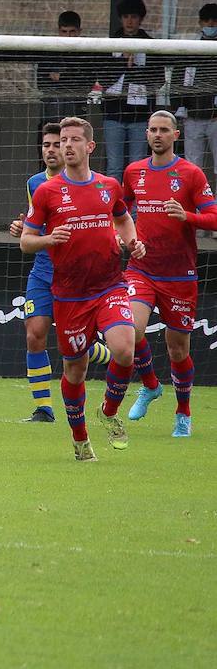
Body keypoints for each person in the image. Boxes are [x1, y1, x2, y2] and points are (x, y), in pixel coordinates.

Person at [21, 115, 144, 462]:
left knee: (124, 348)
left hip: (109, 285)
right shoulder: (46, 191)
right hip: (69, 295)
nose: (67, 146)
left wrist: (133, 241)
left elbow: (122, 217)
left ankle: (108, 410)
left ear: (90, 146)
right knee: (74, 370)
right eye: (63, 140)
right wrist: (48, 237)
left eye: (74, 140)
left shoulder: (108, 185)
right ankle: (80, 439)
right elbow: (27, 242)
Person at [8, 123, 114, 424]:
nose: (52, 150)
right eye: (47, 145)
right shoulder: (35, 184)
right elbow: (35, 223)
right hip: (43, 269)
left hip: (76, 274)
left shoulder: (91, 184)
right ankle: (43, 408)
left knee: (75, 344)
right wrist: (21, 229)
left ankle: (110, 356)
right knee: (35, 333)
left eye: (58, 144)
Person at [121, 110, 217, 438]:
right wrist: (125, 237)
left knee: (178, 349)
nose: (157, 135)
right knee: (129, 330)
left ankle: (183, 411)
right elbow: (120, 209)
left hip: (179, 274)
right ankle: (149, 385)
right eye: (152, 130)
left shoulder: (190, 174)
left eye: (164, 130)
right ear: (147, 135)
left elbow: (214, 217)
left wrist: (187, 216)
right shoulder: (134, 171)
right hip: (141, 268)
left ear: (176, 135)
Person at [103, 0, 155, 181]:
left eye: (134, 16)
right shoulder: (109, 43)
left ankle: (135, 210)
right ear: (120, 18)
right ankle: (112, 209)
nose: (130, 21)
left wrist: (135, 68)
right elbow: (103, 78)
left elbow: (156, 80)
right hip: (113, 114)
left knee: (137, 167)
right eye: (126, 17)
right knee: (114, 167)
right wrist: (123, 61)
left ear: (140, 19)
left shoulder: (150, 44)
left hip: (140, 116)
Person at [175, 3, 217, 188]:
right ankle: (195, 206)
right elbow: (179, 81)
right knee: (193, 166)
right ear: (200, 22)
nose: (211, 24)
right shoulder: (190, 50)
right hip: (192, 117)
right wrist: (181, 107)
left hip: (216, 118)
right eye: (207, 21)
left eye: (215, 21)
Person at [37, 11, 93, 133]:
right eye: (64, 32)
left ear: (79, 31)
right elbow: (40, 83)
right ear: (58, 31)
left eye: (72, 32)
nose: (68, 36)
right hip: (50, 113)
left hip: (76, 111)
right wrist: (71, 78)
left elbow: (87, 83)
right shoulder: (49, 52)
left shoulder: (86, 54)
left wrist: (62, 77)